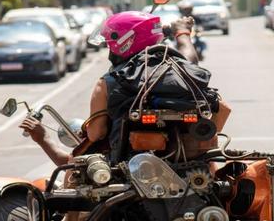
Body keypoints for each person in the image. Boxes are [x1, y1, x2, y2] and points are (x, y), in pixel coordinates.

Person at [20, 11, 230, 167]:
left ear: (124, 42)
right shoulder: (184, 70)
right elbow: (190, 55)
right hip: (193, 163)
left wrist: (43, 138)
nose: (108, 48)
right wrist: (182, 31)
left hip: (125, 167)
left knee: (74, 175)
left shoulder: (109, 81)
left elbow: (96, 133)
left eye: (110, 42)